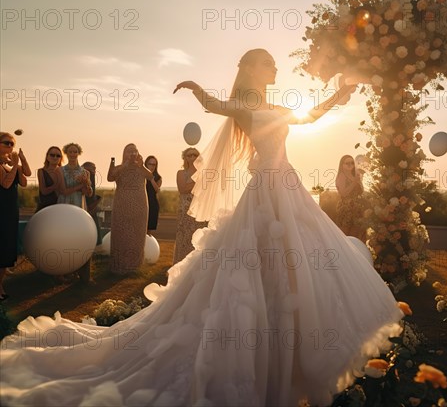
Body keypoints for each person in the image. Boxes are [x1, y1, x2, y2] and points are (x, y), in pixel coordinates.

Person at [0, 49, 404, 406]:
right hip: (265, 191)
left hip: (289, 187)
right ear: (250, 68)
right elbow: (214, 105)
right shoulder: (244, 106)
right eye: (268, 62)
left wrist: (340, 92)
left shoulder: (278, 106)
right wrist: (195, 88)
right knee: (255, 267)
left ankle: (294, 350)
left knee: (302, 263)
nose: (276, 66)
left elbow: (311, 115)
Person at [107, 144, 153, 274]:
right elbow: (110, 177)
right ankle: (119, 265)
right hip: (122, 204)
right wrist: (125, 165)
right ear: (124, 153)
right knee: (121, 233)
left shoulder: (141, 168)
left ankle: (135, 266)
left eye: (135, 151)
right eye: (129, 151)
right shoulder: (119, 167)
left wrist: (142, 165)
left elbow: (150, 176)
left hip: (140, 205)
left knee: (137, 234)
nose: (132, 153)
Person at [0, 132, 30, 302]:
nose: (10, 147)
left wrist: (22, 161)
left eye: (12, 144)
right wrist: (15, 165)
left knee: (6, 250)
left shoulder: (9, 164)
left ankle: (0, 284)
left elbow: (25, 179)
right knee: (1, 248)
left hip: (10, 210)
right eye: (6, 143)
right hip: (1, 210)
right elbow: (5, 184)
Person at [173, 147, 207, 264]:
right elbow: (183, 189)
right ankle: (181, 266)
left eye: (195, 155)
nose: (192, 157)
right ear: (185, 158)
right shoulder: (181, 173)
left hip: (200, 210)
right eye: (189, 155)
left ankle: (197, 266)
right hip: (185, 209)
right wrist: (198, 181)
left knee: (198, 238)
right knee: (184, 238)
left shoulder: (205, 173)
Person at [335, 154, 366, 241]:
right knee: (345, 235)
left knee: (357, 234)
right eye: (347, 163)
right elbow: (343, 193)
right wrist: (354, 182)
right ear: (342, 165)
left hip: (357, 208)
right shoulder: (341, 176)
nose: (350, 165)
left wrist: (359, 181)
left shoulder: (355, 175)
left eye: (352, 163)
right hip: (346, 208)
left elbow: (361, 191)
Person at [57, 142, 92, 208]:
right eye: (70, 152)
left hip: (79, 205)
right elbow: (63, 191)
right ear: (66, 153)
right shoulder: (60, 170)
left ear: (78, 153)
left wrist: (86, 184)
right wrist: (81, 185)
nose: (72, 154)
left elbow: (88, 194)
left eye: (75, 152)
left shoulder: (86, 172)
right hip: (64, 205)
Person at [35, 146, 65, 212]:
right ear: (47, 157)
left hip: (61, 207)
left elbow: (64, 191)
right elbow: (43, 191)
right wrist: (57, 184)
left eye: (58, 156)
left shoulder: (64, 171)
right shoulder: (41, 171)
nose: (55, 157)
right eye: (52, 155)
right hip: (45, 208)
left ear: (61, 158)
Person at [144, 155, 162, 235]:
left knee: (149, 230)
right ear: (146, 164)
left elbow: (157, 190)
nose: (152, 166)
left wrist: (151, 178)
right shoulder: (141, 176)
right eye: (150, 164)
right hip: (141, 203)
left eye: (154, 164)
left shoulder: (158, 177)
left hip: (152, 204)